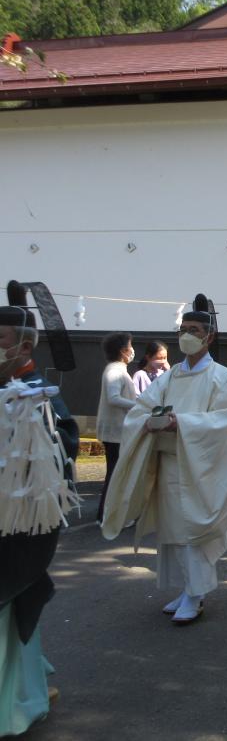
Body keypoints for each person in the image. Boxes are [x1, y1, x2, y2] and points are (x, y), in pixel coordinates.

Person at [100, 294, 227, 625]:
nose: (187, 335)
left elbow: (225, 422)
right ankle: (186, 588)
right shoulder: (172, 375)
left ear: (210, 336)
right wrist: (148, 421)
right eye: (183, 329)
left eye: (194, 329)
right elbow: (142, 406)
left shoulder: (222, 377)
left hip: (201, 468)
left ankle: (197, 593)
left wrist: (183, 423)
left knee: (194, 529)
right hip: (168, 463)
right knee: (172, 531)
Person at [0, 281, 79, 735]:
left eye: (1, 340)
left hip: (19, 526)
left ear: (25, 345)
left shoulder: (37, 392)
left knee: (11, 604)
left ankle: (19, 698)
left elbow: (65, 444)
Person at [96, 332, 137, 522]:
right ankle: (106, 515)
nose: (133, 350)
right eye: (131, 346)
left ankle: (108, 514)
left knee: (116, 473)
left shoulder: (118, 369)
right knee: (115, 474)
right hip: (115, 431)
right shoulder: (115, 371)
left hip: (117, 430)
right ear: (123, 351)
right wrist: (139, 404)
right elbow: (113, 399)